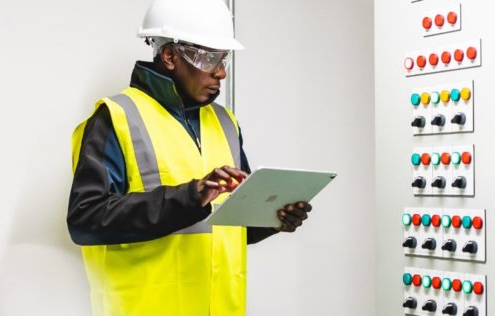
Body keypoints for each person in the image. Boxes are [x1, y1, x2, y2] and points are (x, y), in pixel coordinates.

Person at [67, 0, 312, 315]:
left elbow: (231, 224)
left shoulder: (225, 122)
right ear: (170, 56)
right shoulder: (116, 117)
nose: (221, 72)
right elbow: (86, 220)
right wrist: (190, 196)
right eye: (210, 58)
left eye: (223, 59)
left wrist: (273, 218)